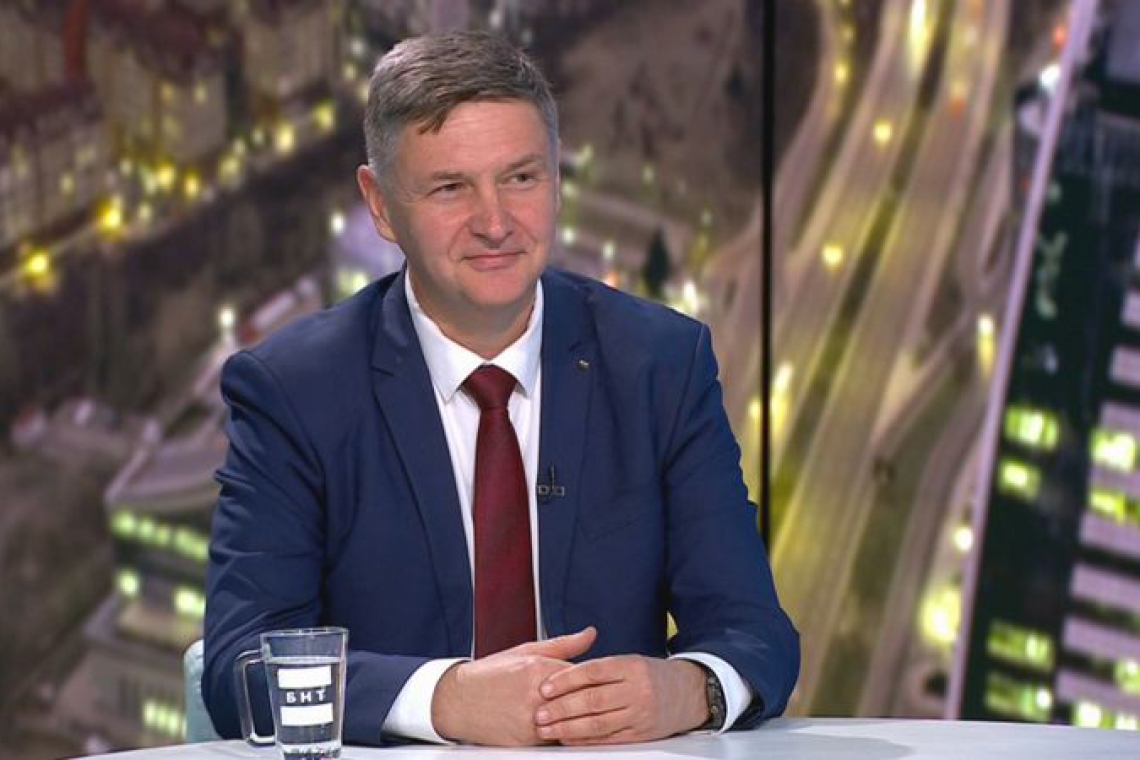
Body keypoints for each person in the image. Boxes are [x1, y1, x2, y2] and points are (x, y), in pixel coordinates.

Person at [203, 30, 798, 747]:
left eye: (521, 178)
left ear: (557, 178)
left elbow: (755, 634)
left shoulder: (660, 365)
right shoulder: (295, 392)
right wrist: (444, 700)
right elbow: (242, 667)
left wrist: (693, 687)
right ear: (380, 205)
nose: (495, 223)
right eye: (450, 188)